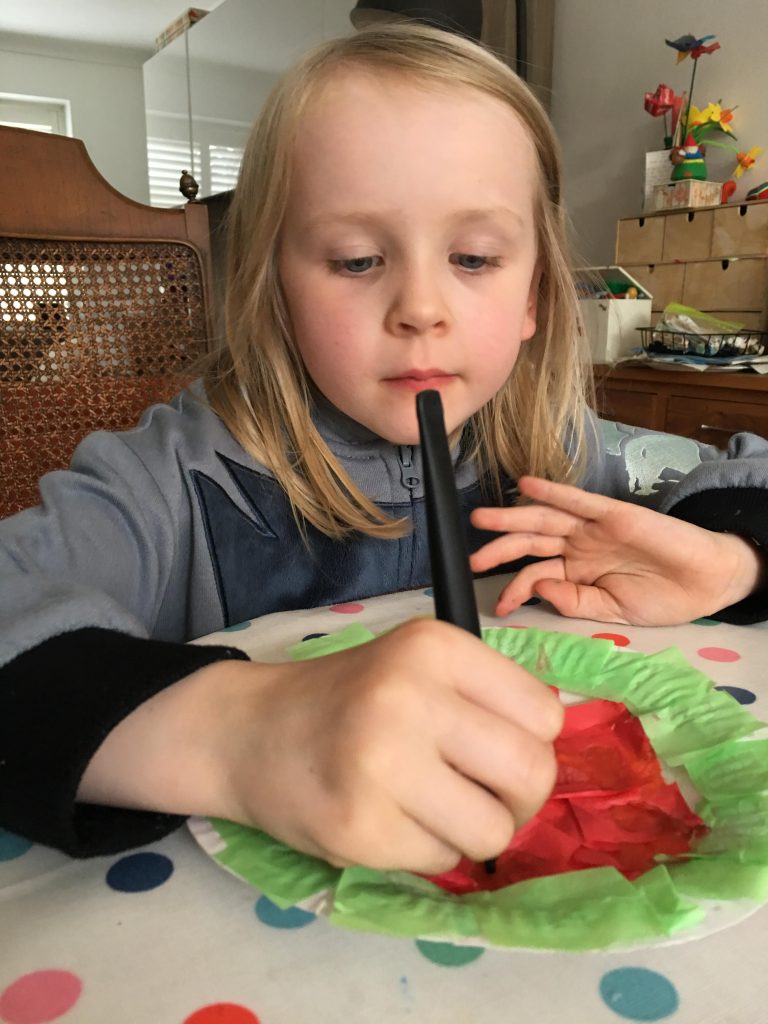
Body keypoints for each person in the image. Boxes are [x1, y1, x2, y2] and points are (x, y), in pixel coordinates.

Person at [1, 24, 767, 871]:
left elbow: (746, 474)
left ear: (534, 298)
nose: (421, 307)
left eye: (474, 257)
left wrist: (732, 558)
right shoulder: (174, 479)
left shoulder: (561, 450)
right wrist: (240, 735)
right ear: (273, 290)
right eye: (358, 259)